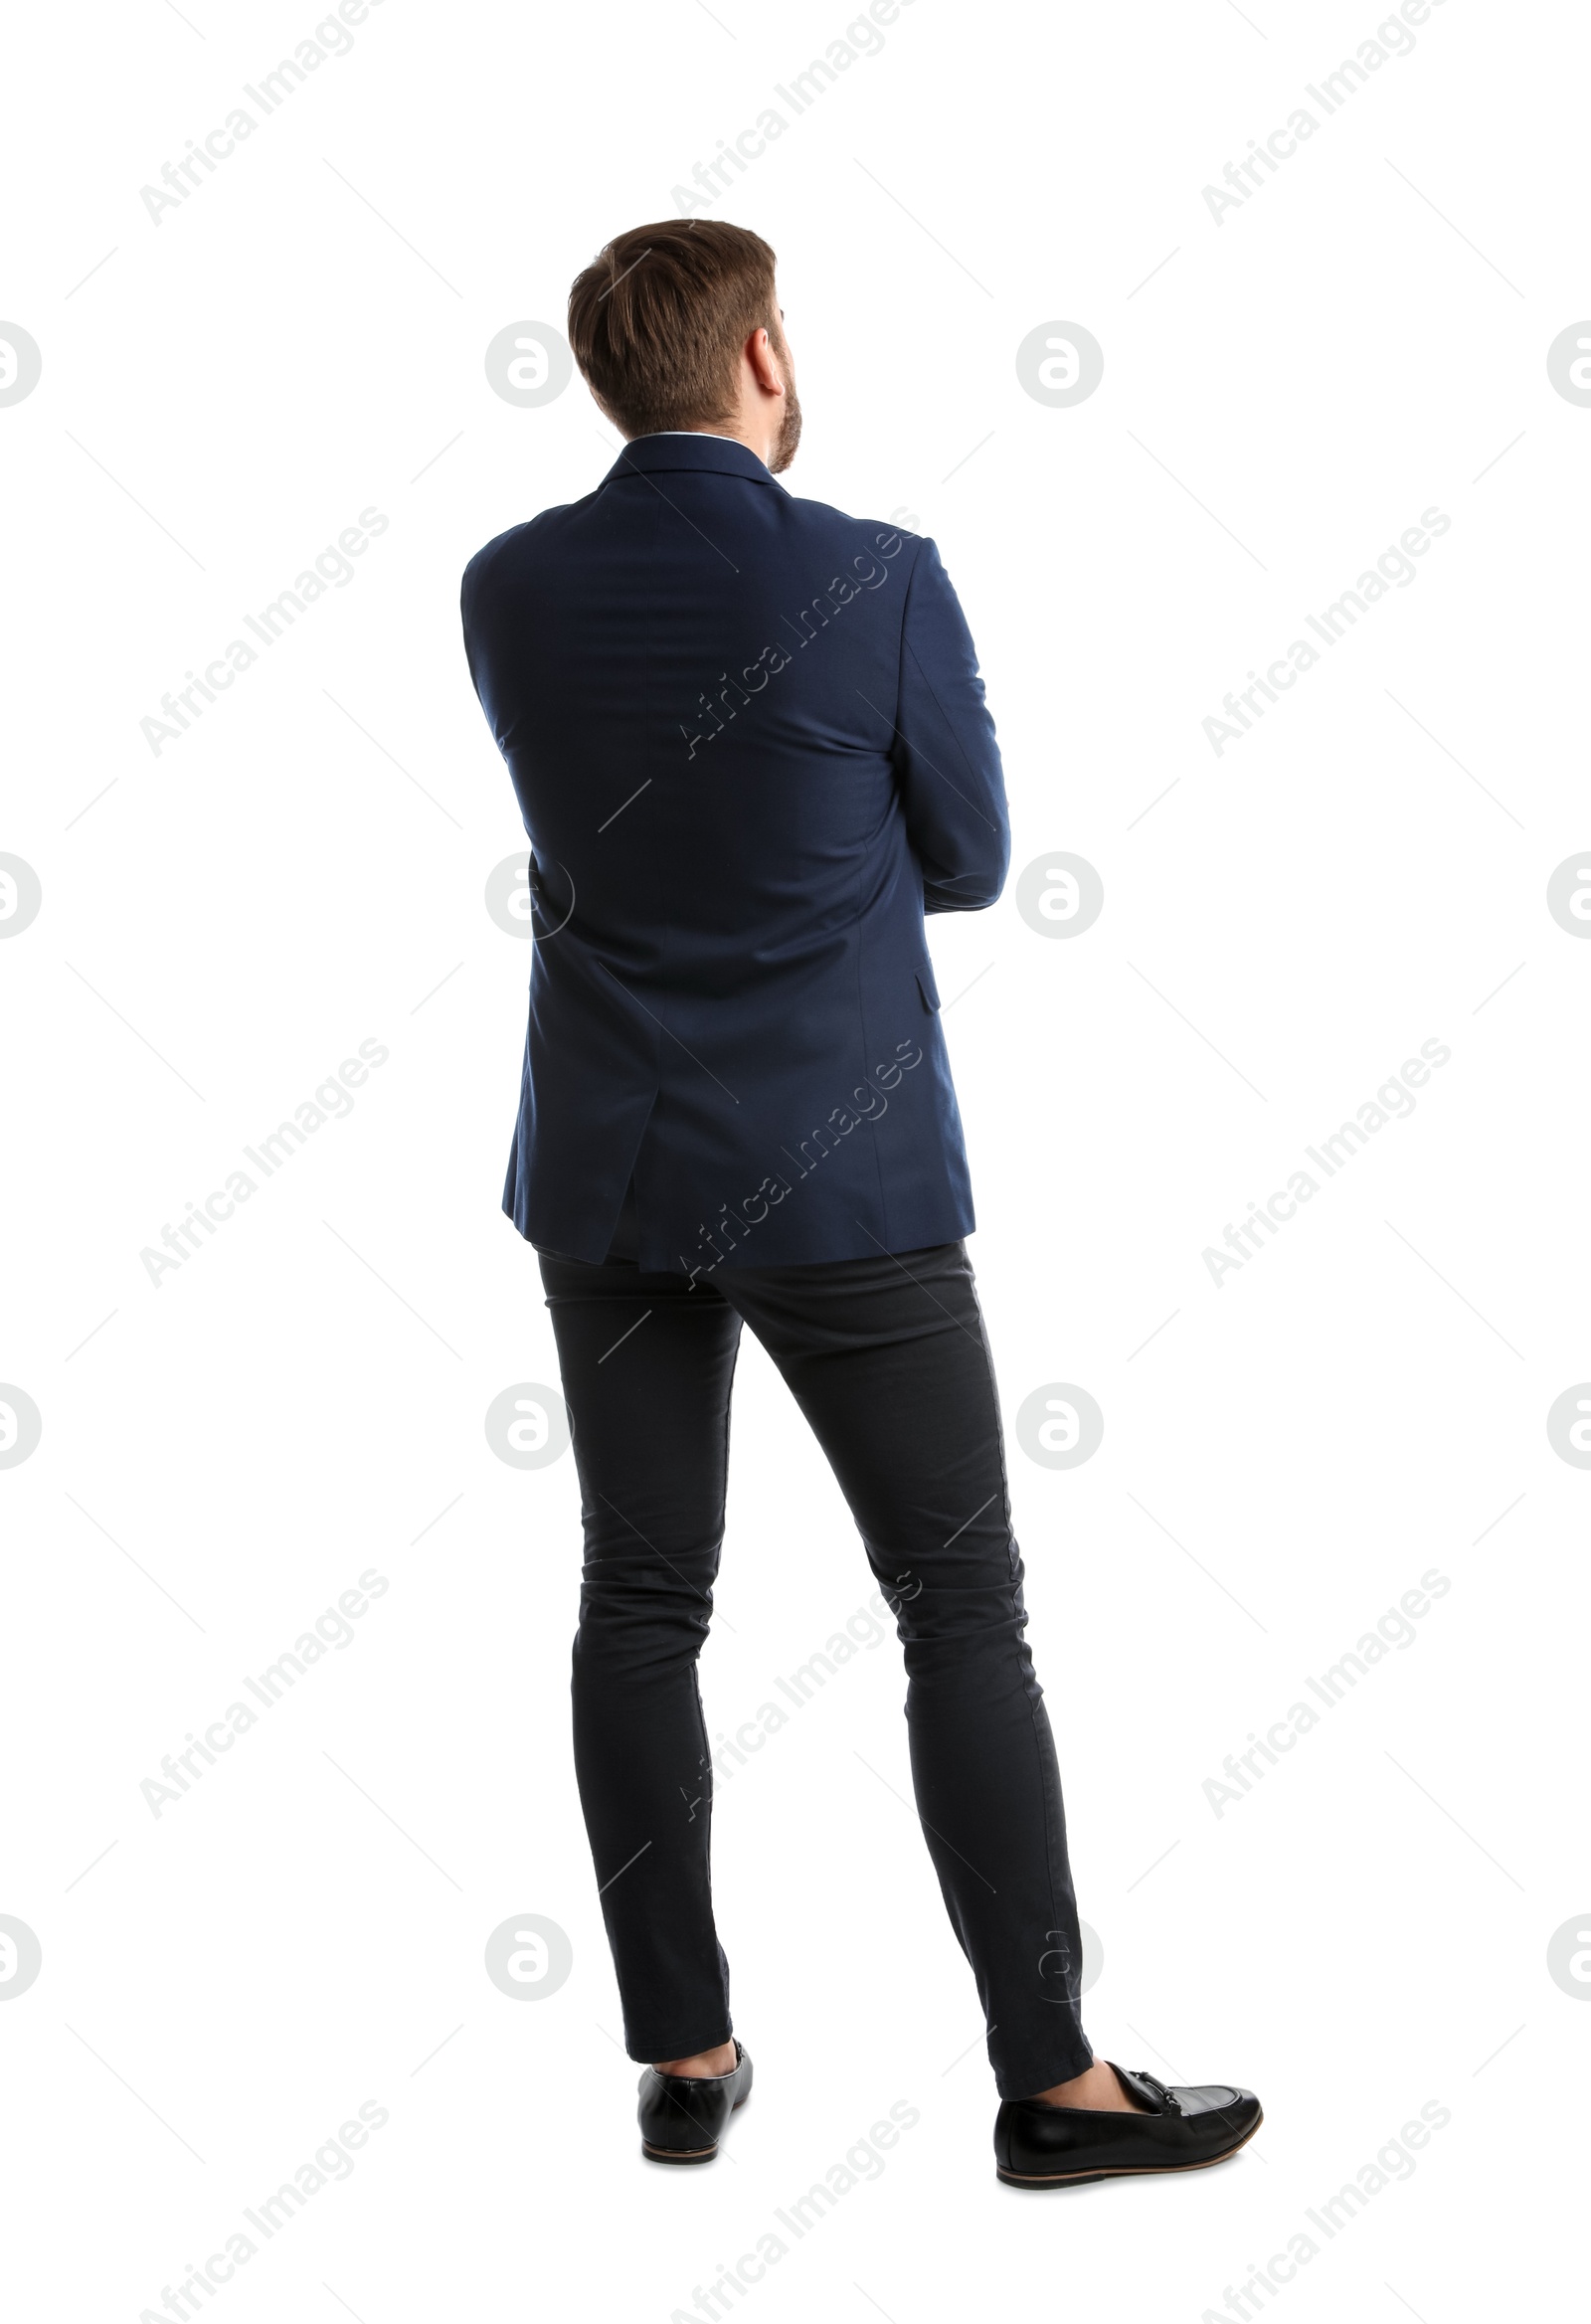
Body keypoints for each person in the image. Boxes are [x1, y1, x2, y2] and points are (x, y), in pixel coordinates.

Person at [459, 218, 1261, 2187]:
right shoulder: (871, 580)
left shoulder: (505, 587)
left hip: (608, 1163)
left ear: (603, 380)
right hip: (844, 1176)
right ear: (762, 360)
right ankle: (1053, 2083)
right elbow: (969, 853)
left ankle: (682, 2053)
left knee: (637, 1599)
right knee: (957, 1606)